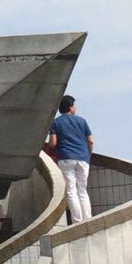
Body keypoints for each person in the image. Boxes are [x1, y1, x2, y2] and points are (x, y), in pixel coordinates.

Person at [48, 95, 93, 223]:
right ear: (70, 107)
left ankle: (77, 222)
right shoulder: (82, 121)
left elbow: (52, 143)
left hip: (66, 158)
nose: (75, 107)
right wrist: (88, 155)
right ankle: (88, 219)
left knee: (71, 191)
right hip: (83, 158)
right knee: (82, 191)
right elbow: (90, 140)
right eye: (74, 105)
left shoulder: (56, 122)